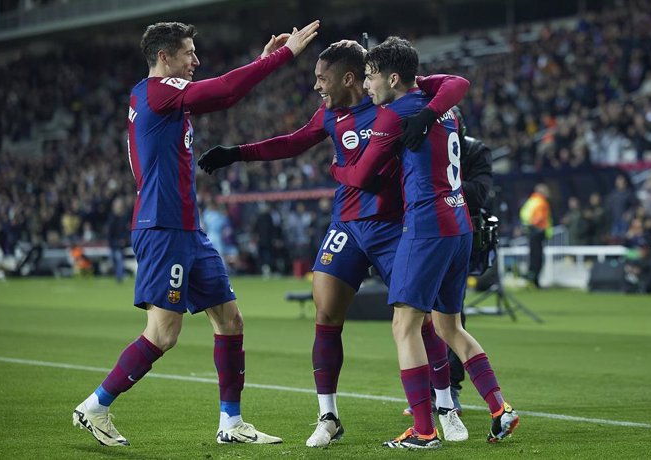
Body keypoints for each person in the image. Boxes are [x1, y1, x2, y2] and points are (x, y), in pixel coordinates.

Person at [197, 41, 470, 447]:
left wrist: (429, 112)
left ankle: (445, 406)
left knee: (419, 321)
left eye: (321, 78)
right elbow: (292, 142)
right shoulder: (331, 114)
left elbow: (453, 86)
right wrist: (237, 154)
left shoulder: (391, 103)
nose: (316, 87)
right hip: (347, 227)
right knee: (325, 313)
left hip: (396, 226)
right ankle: (328, 415)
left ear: (348, 78)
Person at [72, 20, 320, 447]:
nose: (196, 61)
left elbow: (221, 88)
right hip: (163, 228)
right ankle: (95, 407)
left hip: (188, 230)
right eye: (188, 53)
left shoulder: (159, 98)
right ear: (164, 57)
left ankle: (231, 423)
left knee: (229, 319)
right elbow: (223, 92)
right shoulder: (156, 92)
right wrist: (284, 56)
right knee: (164, 333)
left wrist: (259, 63)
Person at [330, 36, 518, 448]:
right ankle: (501, 408)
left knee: (405, 326)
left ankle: (423, 429)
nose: (366, 86)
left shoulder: (394, 115)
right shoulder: (441, 105)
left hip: (427, 227)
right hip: (459, 227)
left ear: (393, 77)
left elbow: (361, 176)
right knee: (449, 326)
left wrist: (336, 169)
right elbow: (455, 82)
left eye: (371, 76)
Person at [401, 106, 494, 418]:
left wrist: (440, 183)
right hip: (430, 231)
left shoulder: (476, 151)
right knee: (422, 316)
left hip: (457, 233)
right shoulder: (424, 143)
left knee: (448, 315)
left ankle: (449, 388)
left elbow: (480, 194)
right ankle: (433, 390)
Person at [519, 183, 552, 288]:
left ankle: (532, 280)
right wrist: (538, 227)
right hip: (537, 232)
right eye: (546, 190)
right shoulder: (541, 202)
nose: (548, 192)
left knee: (533, 256)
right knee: (537, 258)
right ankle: (534, 281)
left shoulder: (531, 200)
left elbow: (524, 214)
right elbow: (538, 218)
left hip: (532, 232)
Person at [105, 197, 129, 283]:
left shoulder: (124, 217)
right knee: (114, 261)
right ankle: (118, 275)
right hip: (113, 243)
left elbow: (125, 231)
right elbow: (109, 232)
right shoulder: (112, 218)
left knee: (119, 260)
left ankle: (119, 277)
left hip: (119, 244)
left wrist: (124, 239)